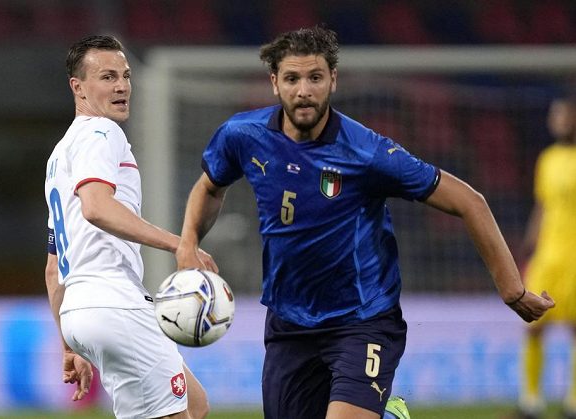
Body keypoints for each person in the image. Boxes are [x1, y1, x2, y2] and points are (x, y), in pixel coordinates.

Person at [174, 26, 555, 419]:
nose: (303, 90)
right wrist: (188, 241)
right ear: (274, 83)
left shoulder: (367, 152)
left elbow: (470, 202)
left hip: (362, 320)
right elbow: (210, 186)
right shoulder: (243, 135)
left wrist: (511, 289)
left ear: (333, 80)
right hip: (289, 323)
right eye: (292, 78)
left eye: (315, 77)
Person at [44, 35, 215, 419]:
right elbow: (96, 207)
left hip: (80, 310)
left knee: (194, 403)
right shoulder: (101, 133)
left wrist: (69, 344)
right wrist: (180, 244)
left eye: (125, 76)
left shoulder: (59, 156)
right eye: (106, 77)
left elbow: (54, 267)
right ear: (78, 87)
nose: (121, 86)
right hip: (113, 301)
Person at [515, 96, 576, 419]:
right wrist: (530, 239)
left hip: (574, 255)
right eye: (555, 115)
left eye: (564, 115)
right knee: (533, 324)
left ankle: (572, 403)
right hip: (548, 254)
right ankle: (531, 401)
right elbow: (542, 204)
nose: (558, 121)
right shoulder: (547, 159)